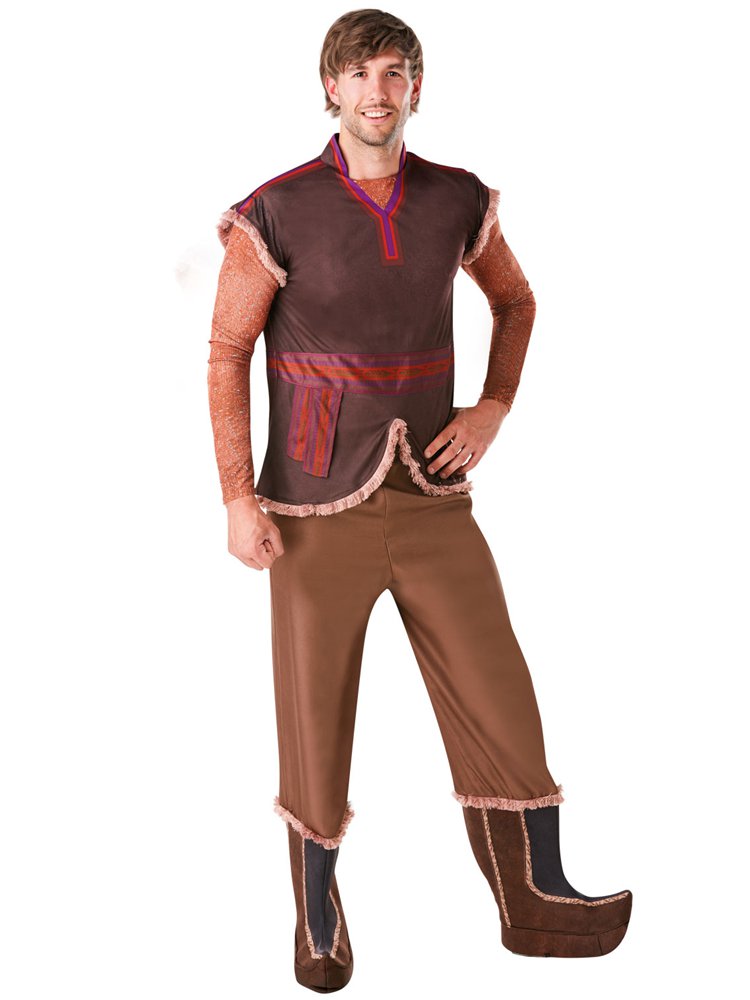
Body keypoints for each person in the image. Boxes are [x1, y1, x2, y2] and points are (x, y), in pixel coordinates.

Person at [207, 8, 633, 991]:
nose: (378, 91)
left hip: (435, 499)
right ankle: (317, 917)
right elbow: (228, 352)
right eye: (359, 74)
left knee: (498, 686)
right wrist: (237, 496)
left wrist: (493, 407)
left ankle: (536, 895)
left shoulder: (453, 198)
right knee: (315, 714)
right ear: (330, 89)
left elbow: (515, 300)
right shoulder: (276, 210)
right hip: (312, 510)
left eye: (395, 72)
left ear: (416, 88)